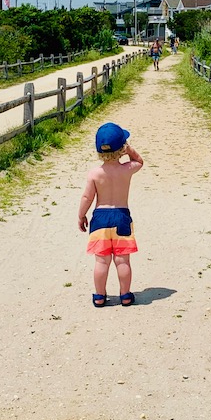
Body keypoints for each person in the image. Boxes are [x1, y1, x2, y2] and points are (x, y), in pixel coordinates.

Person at [78, 122, 143, 307]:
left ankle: (99, 296)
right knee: (122, 261)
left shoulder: (95, 174)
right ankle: (125, 296)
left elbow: (87, 197)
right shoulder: (126, 169)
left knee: (102, 261)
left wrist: (81, 215)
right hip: (121, 217)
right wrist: (130, 150)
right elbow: (140, 162)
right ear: (122, 147)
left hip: (100, 219)